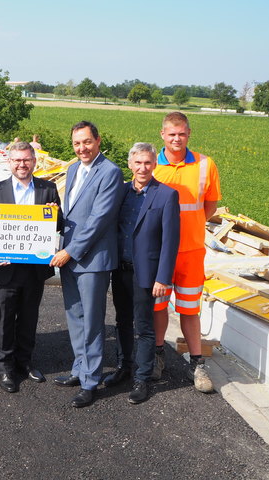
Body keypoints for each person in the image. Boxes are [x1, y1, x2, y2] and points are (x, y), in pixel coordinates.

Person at [50, 121, 123, 408]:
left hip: (92, 260)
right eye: (77, 143)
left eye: (87, 142)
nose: (82, 148)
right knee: (75, 319)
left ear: (98, 140)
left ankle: (91, 382)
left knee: (92, 322)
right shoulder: (73, 169)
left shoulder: (110, 172)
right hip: (69, 257)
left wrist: (69, 251)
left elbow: (98, 220)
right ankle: (79, 370)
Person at [0, 141, 61, 393]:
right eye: (16, 160)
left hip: (34, 268)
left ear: (34, 161)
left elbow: (59, 225)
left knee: (29, 318)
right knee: (3, 319)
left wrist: (54, 215)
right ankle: (4, 367)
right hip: (4, 268)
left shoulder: (48, 189)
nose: (22, 164)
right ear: (9, 162)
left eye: (26, 160)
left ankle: (24, 362)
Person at [152, 112, 221, 393]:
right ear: (162, 135)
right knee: (157, 307)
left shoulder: (206, 165)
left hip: (191, 251)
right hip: (158, 252)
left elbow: (210, 207)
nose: (176, 139)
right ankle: (157, 356)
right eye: (171, 134)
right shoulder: (151, 164)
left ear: (189, 134)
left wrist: (190, 229)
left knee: (190, 309)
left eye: (181, 133)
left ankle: (197, 364)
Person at [106, 143, 180, 404]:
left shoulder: (167, 195)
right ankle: (124, 367)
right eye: (138, 163)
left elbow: (171, 242)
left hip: (146, 274)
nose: (143, 168)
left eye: (147, 162)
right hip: (121, 270)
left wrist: (163, 277)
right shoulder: (122, 192)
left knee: (144, 327)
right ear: (130, 164)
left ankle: (142, 377)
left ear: (154, 164)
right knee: (122, 322)